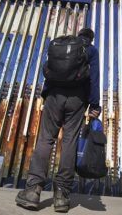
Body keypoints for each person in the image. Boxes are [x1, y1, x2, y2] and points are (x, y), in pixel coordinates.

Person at [15, 28, 101, 212]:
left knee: (46, 139)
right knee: (69, 142)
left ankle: (32, 190)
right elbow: (94, 77)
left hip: (54, 95)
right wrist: (94, 104)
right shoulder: (91, 50)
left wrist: (46, 94)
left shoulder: (62, 46)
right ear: (91, 38)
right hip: (78, 99)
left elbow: (50, 71)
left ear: (78, 35)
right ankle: (62, 195)